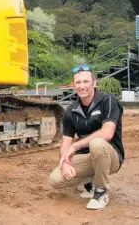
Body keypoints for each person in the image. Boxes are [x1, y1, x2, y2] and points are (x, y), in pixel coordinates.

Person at [49, 65, 124, 210]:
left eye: (85, 82)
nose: (82, 86)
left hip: (111, 156)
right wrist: (64, 162)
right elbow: (66, 142)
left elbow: (107, 132)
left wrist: (76, 146)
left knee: (96, 143)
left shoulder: (108, 101)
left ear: (94, 83)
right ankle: (89, 182)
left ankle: (101, 192)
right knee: (55, 180)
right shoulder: (71, 110)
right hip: (88, 158)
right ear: (73, 85)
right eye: (78, 83)